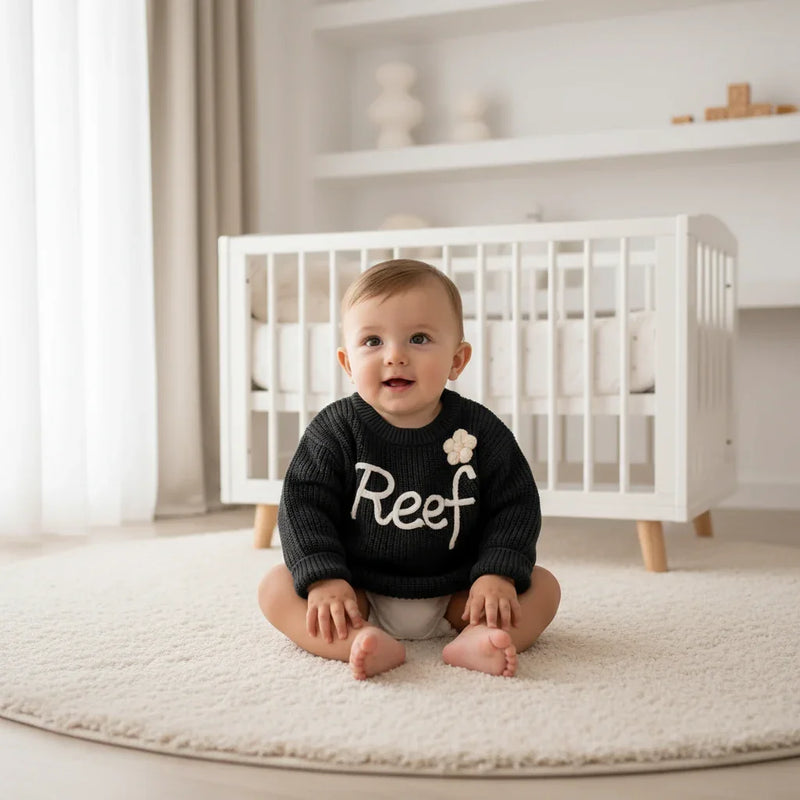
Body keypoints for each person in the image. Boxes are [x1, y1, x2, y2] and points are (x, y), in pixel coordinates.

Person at [258, 259, 560, 680]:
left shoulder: (481, 430)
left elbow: (515, 504)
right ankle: (358, 642)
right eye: (373, 341)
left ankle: (474, 639)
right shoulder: (335, 430)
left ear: (457, 360)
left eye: (418, 338)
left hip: (460, 591)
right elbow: (304, 506)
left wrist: (497, 572)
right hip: (357, 591)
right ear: (347, 363)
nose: (395, 356)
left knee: (543, 588)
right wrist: (324, 579)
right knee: (274, 589)